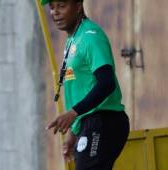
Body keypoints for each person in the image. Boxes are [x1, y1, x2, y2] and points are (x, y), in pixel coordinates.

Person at [43, 0, 130, 169]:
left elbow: (106, 83)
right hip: (90, 123)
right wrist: (74, 132)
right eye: (52, 7)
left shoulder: (91, 37)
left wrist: (73, 113)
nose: (55, 12)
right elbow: (82, 88)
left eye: (61, 6)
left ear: (78, 6)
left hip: (104, 120)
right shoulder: (74, 38)